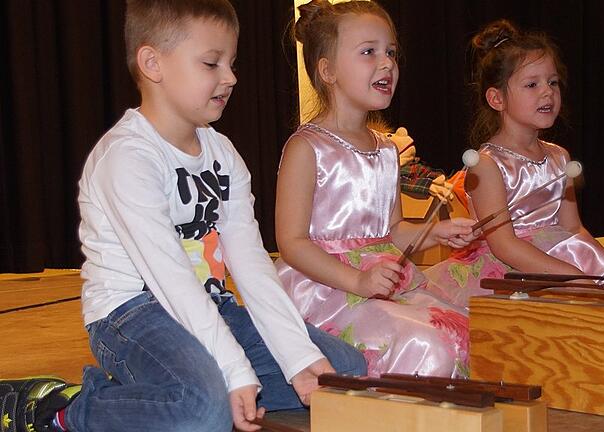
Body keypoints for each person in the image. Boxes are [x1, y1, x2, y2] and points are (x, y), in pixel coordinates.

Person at [0, 1, 366, 431]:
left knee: (342, 371)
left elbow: (251, 264)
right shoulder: (128, 157)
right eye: (211, 63)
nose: (230, 77)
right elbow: (170, 278)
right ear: (153, 63)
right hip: (132, 315)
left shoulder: (223, 154)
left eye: (231, 62)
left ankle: (175, 391)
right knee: (202, 411)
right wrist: (233, 371)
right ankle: (63, 407)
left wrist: (299, 359)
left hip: (209, 306)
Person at [274, 0, 478, 378]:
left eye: (391, 53)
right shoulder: (307, 147)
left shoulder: (386, 149)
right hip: (326, 289)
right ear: (327, 70)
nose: (386, 63)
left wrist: (435, 232)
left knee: (463, 329)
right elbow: (292, 242)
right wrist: (357, 280)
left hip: (380, 278)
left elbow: (392, 232)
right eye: (369, 52)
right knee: (427, 344)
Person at [424, 19, 604, 307]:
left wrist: (597, 265)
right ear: (496, 98)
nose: (547, 92)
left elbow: (572, 227)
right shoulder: (487, 164)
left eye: (552, 82)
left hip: (560, 258)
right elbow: (504, 245)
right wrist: (570, 277)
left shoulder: (559, 156)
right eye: (531, 84)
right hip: (512, 270)